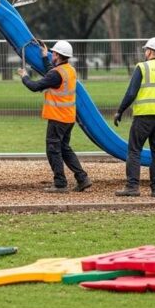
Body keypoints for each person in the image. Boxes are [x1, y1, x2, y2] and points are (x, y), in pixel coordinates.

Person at [17, 40, 93, 194]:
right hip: (68, 117)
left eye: (53, 53)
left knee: (53, 150)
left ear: (58, 55)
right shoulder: (69, 70)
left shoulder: (56, 74)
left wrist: (24, 76)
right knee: (65, 149)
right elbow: (52, 73)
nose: (52, 55)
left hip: (58, 118)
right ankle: (82, 178)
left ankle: (60, 184)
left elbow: (35, 86)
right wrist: (45, 57)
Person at [112, 37, 155, 198]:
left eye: (145, 51)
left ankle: (132, 187)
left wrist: (120, 110)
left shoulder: (142, 67)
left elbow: (131, 92)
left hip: (143, 117)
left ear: (149, 51)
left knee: (134, 151)